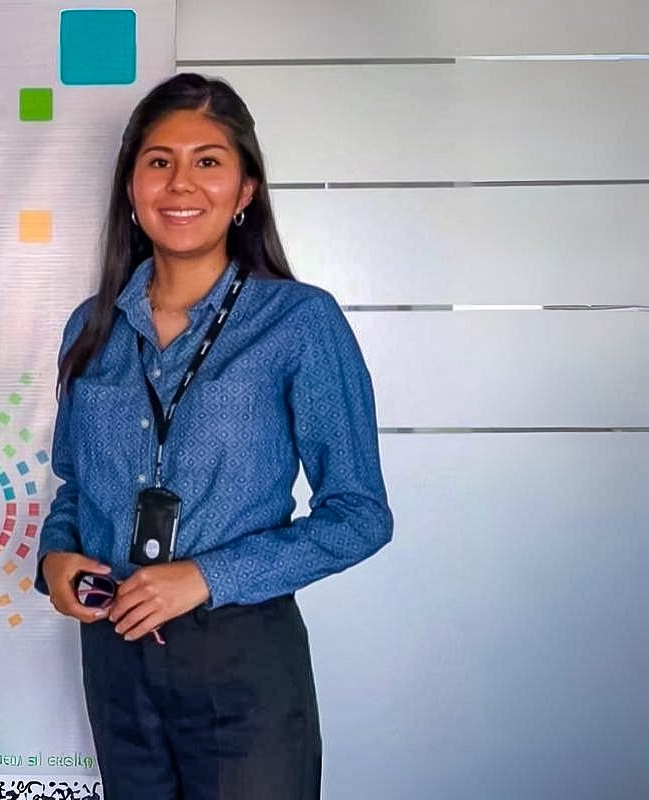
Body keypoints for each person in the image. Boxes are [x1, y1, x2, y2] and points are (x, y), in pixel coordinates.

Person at [35, 73, 394, 799]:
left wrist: (207, 576)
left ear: (245, 191)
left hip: (241, 662)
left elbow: (360, 515)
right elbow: (75, 484)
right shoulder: (91, 326)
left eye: (208, 161)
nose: (181, 183)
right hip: (115, 656)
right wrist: (55, 557)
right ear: (131, 188)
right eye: (159, 161)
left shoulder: (299, 323)